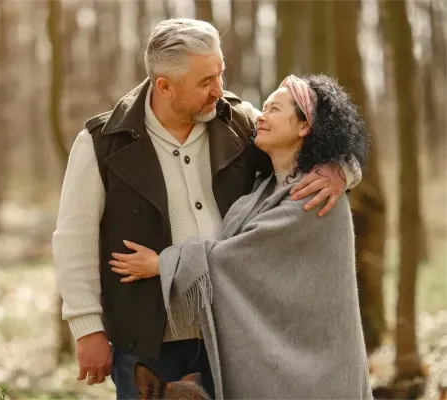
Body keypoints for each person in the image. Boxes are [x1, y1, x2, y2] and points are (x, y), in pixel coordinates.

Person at [52, 19, 361, 400]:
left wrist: (341, 169)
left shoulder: (239, 122)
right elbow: (74, 239)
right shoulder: (102, 142)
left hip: (232, 334)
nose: (219, 90)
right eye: (205, 82)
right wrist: (88, 329)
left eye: (220, 74)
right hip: (148, 339)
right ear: (164, 85)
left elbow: (309, 142)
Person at [110, 74, 373, 400]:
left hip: (321, 374)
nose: (261, 116)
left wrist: (163, 263)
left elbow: (234, 258)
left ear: (305, 127)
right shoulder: (263, 190)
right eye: (263, 107)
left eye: (275, 109)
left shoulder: (316, 197)